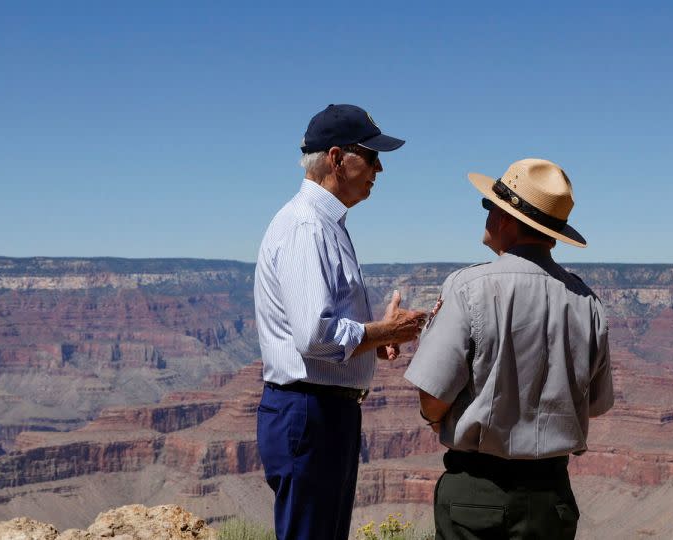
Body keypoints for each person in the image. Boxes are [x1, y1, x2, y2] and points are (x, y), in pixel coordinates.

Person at [404, 158, 614, 539]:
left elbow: (432, 394)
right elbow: (596, 405)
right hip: (552, 498)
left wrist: (434, 420)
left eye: (490, 205)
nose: (486, 214)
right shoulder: (588, 303)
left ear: (508, 220)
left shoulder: (469, 288)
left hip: (477, 494)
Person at [254, 104, 428, 540]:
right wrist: (383, 332)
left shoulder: (327, 225)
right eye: (370, 156)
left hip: (326, 411)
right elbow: (315, 335)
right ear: (336, 158)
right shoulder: (306, 227)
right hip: (309, 412)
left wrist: (375, 339)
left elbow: (329, 327)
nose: (379, 167)